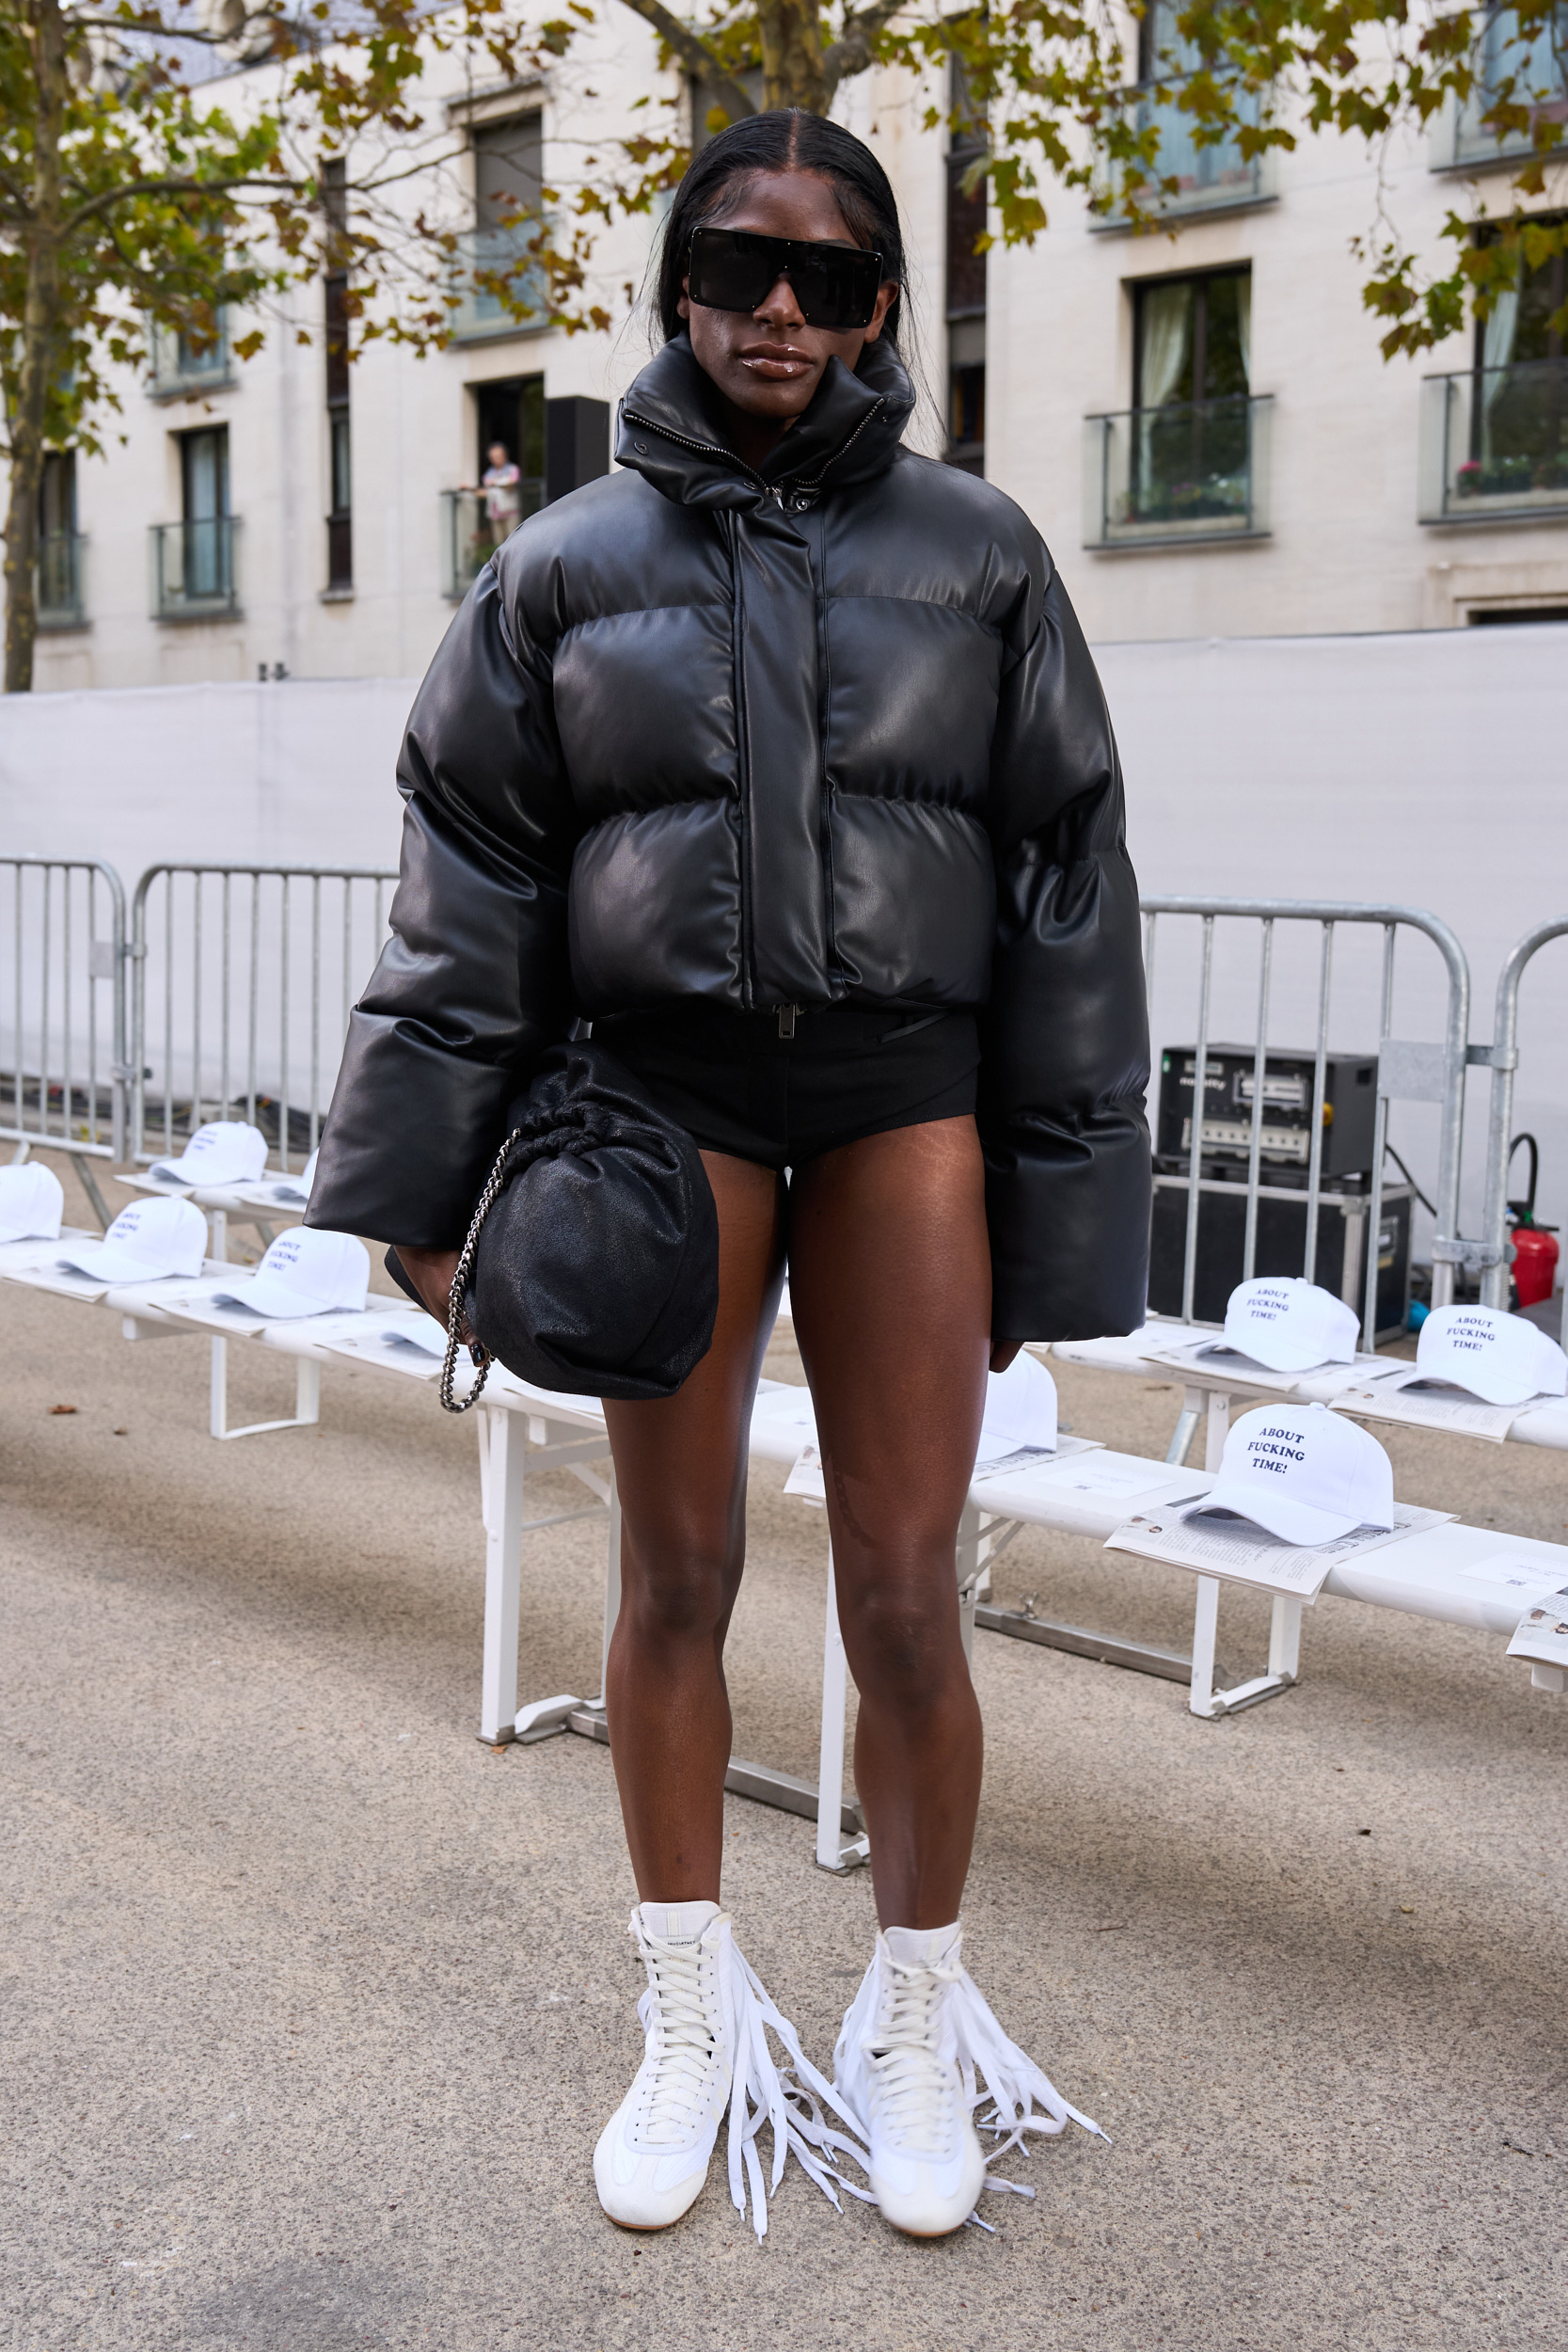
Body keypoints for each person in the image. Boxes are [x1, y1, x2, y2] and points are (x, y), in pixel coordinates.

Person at [309, 109, 1149, 2241]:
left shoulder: (980, 550)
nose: (785, 305)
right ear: (679, 286)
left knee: (905, 1587)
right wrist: (425, 1174)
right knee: (674, 1580)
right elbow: (472, 869)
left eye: (835, 274)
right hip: (655, 1107)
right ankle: (688, 2007)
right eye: (743, 265)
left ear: (879, 307)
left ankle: (916, 2012)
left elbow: (1067, 879)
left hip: (905, 1106)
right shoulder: (565, 562)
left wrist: (1064, 1212)